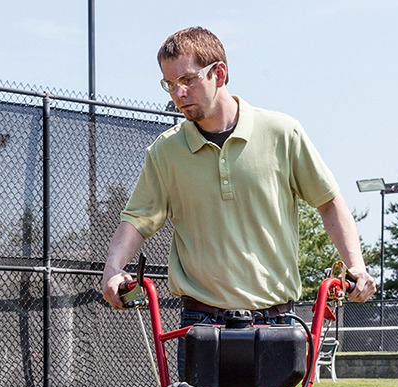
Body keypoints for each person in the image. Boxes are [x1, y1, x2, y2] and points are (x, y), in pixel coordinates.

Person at [101, 26, 376, 338]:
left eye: (188, 80)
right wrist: (113, 269)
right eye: (170, 84)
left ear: (220, 74)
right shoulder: (166, 151)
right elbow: (136, 220)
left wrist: (356, 267)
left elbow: (328, 202)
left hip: (276, 321)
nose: (178, 93)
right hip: (200, 323)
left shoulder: (282, 133)